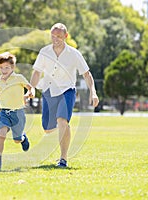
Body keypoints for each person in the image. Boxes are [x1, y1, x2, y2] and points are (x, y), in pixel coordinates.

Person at [30, 23, 99, 168]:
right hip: (49, 90)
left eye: (59, 36)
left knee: (62, 120)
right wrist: (31, 88)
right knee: (47, 128)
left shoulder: (74, 54)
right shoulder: (44, 52)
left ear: (66, 36)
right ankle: (64, 127)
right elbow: (36, 72)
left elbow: (87, 74)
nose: (55, 39)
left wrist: (93, 92)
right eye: (53, 36)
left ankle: (63, 159)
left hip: (67, 90)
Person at [0, 52, 35, 171]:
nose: (4, 70)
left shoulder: (19, 78)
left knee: (16, 140)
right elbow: (1, 94)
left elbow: (30, 87)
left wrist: (30, 93)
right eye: (1, 68)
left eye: (7, 67)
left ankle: (23, 138)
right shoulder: (0, 81)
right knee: (1, 135)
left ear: (13, 67)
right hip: (4, 112)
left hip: (18, 113)